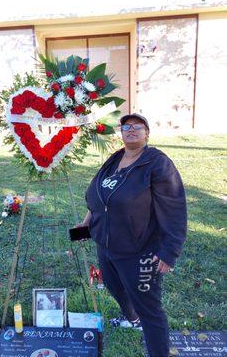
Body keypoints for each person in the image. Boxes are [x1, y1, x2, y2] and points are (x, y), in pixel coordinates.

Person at [81, 113, 187, 357]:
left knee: (150, 309)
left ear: (147, 133)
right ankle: (131, 317)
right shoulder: (115, 158)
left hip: (140, 249)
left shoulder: (157, 163)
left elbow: (174, 206)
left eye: (138, 127)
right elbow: (98, 194)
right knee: (113, 285)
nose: (131, 130)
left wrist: (170, 250)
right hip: (106, 244)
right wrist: (86, 224)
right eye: (126, 126)